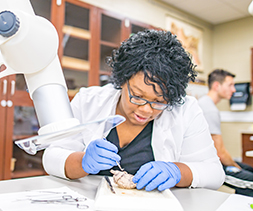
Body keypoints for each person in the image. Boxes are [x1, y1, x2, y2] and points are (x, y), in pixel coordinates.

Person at [43, 29, 225, 191]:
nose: (146, 110)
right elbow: (51, 157)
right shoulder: (88, 101)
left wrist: (178, 172)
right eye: (137, 96)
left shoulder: (186, 110)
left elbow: (215, 174)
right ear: (122, 80)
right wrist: (83, 161)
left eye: (159, 101)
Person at [198, 69, 253, 196]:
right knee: (250, 181)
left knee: (249, 170)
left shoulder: (204, 103)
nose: (234, 90)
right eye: (230, 85)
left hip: (210, 159)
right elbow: (220, 153)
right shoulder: (209, 109)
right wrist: (236, 167)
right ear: (217, 86)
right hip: (208, 165)